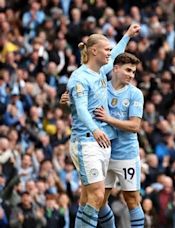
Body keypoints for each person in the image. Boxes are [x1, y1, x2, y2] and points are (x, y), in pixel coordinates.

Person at [66, 23, 140, 227]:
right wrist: (96, 129)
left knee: (88, 199)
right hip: (86, 141)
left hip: (100, 143)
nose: (110, 53)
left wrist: (127, 35)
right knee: (98, 196)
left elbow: (117, 52)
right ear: (93, 51)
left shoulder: (99, 72)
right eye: (106, 49)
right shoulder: (79, 78)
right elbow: (81, 110)